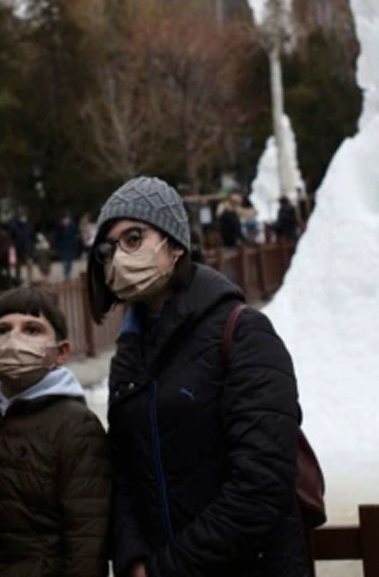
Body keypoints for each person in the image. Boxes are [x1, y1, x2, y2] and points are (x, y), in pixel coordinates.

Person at [87, 176, 307, 577]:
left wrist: (165, 569)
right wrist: (133, 557)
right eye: (108, 248)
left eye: (134, 238)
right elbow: (124, 472)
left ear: (174, 245)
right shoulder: (128, 356)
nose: (119, 257)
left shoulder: (244, 334)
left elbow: (262, 484)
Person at [0, 286, 111, 576]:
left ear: (61, 352)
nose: (13, 339)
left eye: (32, 330)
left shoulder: (76, 427)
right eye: (2, 329)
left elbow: (87, 540)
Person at [52, 211, 81, 280]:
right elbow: (57, 235)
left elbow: (75, 233)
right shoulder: (59, 224)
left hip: (71, 244)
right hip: (63, 244)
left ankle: (68, 273)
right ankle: (66, 273)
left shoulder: (72, 223)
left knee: (69, 260)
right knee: (65, 260)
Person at [10, 209, 36, 284]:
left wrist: (32, 246)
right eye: (21, 215)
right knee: (18, 267)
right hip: (18, 249)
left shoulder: (29, 226)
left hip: (28, 248)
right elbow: (11, 237)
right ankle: (18, 281)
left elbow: (33, 236)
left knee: (29, 264)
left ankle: (30, 280)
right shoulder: (14, 226)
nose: (23, 217)